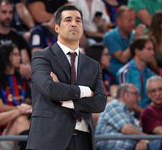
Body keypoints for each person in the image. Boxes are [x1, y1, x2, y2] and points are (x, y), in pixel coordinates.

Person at [26, 5, 107, 150]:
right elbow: (50, 88)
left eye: (78, 20)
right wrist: (86, 92)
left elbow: (100, 103)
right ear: (57, 28)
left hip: (84, 140)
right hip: (49, 139)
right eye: (68, 20)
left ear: (82, 28)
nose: (74, 23)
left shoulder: (93, 65)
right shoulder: (42, 57)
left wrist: (65, 101)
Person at [0, 0, 31, 79]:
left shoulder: (17, 36)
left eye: (10, 12)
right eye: (4, 12)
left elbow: (26, 60)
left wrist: (26, 68)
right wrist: (16, 67)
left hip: (18, 76)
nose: (8, 16)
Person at [95, 83, 151, 150]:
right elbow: (127, 129)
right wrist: (146, 138)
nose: (139, 99)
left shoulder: (129, 114)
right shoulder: (114, 105)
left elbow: (137, 132)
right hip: (108, 148)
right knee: (158, 143)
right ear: (123, 94)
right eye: (136, 94)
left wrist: (142, 140)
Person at [117, 36, 156, 114]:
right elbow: (125, 100)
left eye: (152, 49)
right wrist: (147, 114)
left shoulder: (152, 75)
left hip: (149, 115)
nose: (153, 53)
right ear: (137, 51)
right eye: (149, 49)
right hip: (130, 116)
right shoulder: (124, 72)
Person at [103, 6, 146, 75]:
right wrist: (135, 40)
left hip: (136, 74)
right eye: (129, 20)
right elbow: (123, 58)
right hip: (116, 76)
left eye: (134, 20)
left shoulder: (134, 34)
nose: (133, 23)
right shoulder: (110, 36)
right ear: (118, 21)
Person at [0, 44, 31, 112]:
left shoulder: (22, 78)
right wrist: (21, 110)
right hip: (5, 117)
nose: (19, 58)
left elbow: (28, 100)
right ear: (5, 57)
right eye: (15, 55)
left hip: (24, 113)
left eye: (19, 55)